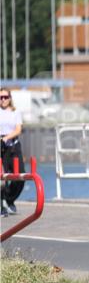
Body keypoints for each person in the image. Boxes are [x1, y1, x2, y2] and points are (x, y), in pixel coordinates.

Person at [0, 89, 24, 218]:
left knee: (20, 176)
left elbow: (18, 129)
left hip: (13, 146)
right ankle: (1, 206)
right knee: (2, 179)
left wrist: (7, 138)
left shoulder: (15, 112)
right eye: (0, 97)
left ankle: (9, 199)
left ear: (10, 98)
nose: (3, 100)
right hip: (0, 147)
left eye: (5, 97)